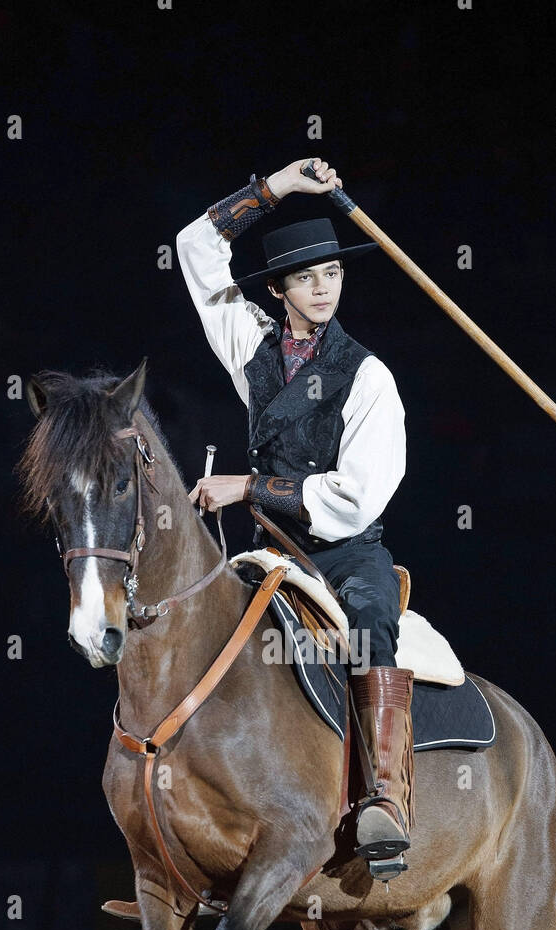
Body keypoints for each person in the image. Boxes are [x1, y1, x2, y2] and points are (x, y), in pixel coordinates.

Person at [176, 156, 415, 863]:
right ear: (277, 288)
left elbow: (357, 496)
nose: (322, 288)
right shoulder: (250, 344)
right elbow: (195, 247)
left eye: (332, 274)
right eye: (306, 278)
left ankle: (386, 798)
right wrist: (273, 187)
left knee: (372, 622)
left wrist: (247, 486)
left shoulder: (369, 376)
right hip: (267, 553)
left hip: (343, 551)